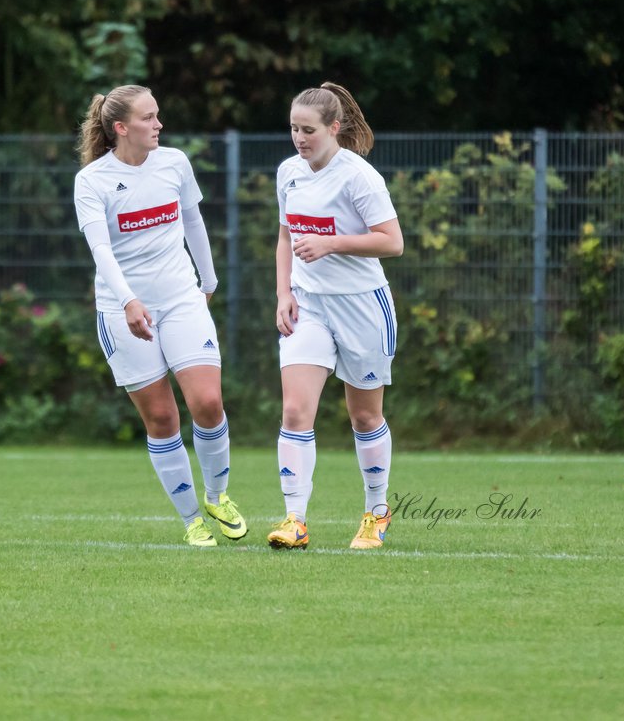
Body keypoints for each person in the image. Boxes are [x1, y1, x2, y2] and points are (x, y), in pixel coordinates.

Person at [73, 84, 247, 547]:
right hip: (121, 309)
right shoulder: (92, 181)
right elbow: (101, 250)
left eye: (158, 115)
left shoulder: (174, 163)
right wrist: (129, 300)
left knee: (208, 403)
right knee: (163, 420)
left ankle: (218, 496)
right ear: (121, 128)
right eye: (149, 118)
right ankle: (192, 519)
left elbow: (193, 222)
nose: (159, 125)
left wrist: (207, 283)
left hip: (181, 297)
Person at [267, 82, 404, 551]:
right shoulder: (289, 172)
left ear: (334, 128)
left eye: (308, 130)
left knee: (365, 418)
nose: (299, 139)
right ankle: (294, 519)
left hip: (362, 305)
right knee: (294, 410)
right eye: (293, 129)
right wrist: (284, 291)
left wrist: (331, 243)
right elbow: (286, 237)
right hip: (310, 306)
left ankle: (376, 513)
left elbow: (392, 241)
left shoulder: (358, 177)